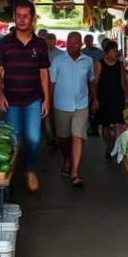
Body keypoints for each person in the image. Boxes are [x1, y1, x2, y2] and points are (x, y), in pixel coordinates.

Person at [0, 2, 51, 193]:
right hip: (11, 100)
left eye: (26, 15)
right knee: (13, 140)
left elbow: (44, 74)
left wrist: (47, 100)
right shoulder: (4, 42)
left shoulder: (40, 44)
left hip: (33, 99)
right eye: (18, 15)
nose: (22, 19)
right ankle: (9, 177)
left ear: (33, 18)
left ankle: (30, 170)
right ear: (14, 17)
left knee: (34, 138)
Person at [49, 32, 96, 187]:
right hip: (61, 105)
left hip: (81, 106)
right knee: (63, 137)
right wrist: (47, 103)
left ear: (81, 44)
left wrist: (94, 99)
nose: (71, 45)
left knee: (78, 136)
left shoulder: (87, 61)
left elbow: (91, 81)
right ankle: (67, 159)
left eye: (75, 43)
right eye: (69, 42)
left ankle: (75, 172)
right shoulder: (57, 61)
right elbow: (52, 84)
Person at [93, 40, 128, 162]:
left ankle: (117, 149)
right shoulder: (99, 64)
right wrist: (95, 99)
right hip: (103, 99)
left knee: (118, 124)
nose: (116, 52)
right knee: (105, 126)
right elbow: (95, 82)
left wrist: (127, 95)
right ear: (107, 52)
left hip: (117, 98)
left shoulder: (120, 64)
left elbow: (122, 81)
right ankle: (109, 147)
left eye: (116, 50)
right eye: (114, 50)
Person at [82, 35, 105, 136]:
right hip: (84, 82)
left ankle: (94, 125)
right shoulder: (81, 52)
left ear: (92, 41)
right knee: (86, 104)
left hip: (97, 83)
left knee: (94, 103)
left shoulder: (100, 53)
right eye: (86, 41)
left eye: (89, 41)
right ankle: (91, 124)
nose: (88, 42)